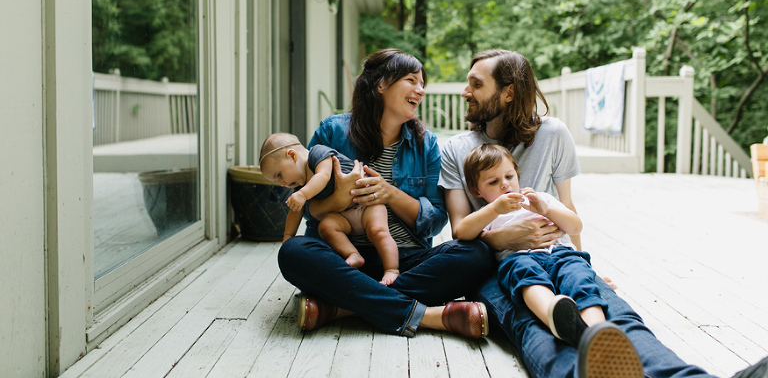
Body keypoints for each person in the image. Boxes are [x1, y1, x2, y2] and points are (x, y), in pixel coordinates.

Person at [439, 49, 768, 378]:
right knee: (532, 323)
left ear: (508, 92)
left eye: (476, 84)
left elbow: (568, 208)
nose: (466, 91)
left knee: (612, 313)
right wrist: (504, 238)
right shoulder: (456, 149)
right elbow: (460, 231)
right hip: (499, 266)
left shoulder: (552, 133)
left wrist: (581, 260)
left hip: (558, 252)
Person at [278, 48, 494, 339]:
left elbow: (436, 219)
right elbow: (306, 207)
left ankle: (344, 305)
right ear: (381, 84)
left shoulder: (425, 144)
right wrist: (338, 200)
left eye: (422, 84)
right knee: (293, 252)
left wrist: (389, 194)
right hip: (341, 260)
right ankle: (427, 315)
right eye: (411, 80)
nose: (420, 90)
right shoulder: (332, 131)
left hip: (404, 262)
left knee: (477, 254)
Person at [455, 143, 610, 349]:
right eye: (493, 182)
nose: (504, 185)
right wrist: (494, 209)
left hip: (561, 253)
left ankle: (596, 333)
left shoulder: (541, 198)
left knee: (579, 279)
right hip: (519, 259)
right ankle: (555, 318)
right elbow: (461, 232)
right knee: (526, 278)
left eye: (509, 177)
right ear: (477, 190)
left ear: (517, 174)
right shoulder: (488, 213)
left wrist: (546, 210)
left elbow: (575, 227)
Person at [259, 132, 400, 285]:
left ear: (292, 155)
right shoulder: (300, 186)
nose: (281, 183)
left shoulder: (317, 154)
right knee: (326, 227)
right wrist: (288, 237)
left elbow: (323, 176)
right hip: (344, 217)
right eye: (276, 181)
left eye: (279, 175)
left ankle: (392, 269)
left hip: (366, 204)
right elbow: (295, 211)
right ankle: (353, 254)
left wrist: (303, 194)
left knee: (378, 231)